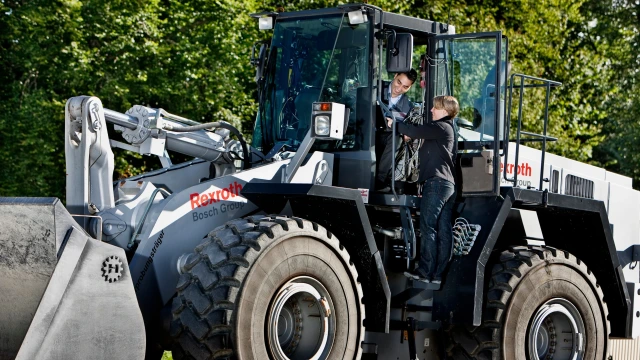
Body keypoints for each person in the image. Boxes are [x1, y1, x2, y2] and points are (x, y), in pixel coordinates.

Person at [391, 95, 459, 285]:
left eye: (435, 108)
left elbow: (414, 130)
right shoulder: (446, 130)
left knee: (428, 227)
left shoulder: (441, 127)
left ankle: (424, 271)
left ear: (445, 111)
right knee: (443, 230)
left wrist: (393, 123)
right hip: (446, 185)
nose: (431, 111)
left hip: (437, 184)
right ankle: (437, 274)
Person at [376, 69, 418, 191]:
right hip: (367, 133)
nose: (399, 89)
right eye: (398, 82)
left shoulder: (408, 107)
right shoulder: (375, 88)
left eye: (405, 87)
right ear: (395, 75)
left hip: (388, 140)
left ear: (410, 87)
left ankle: (380, 180)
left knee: (397, 137)